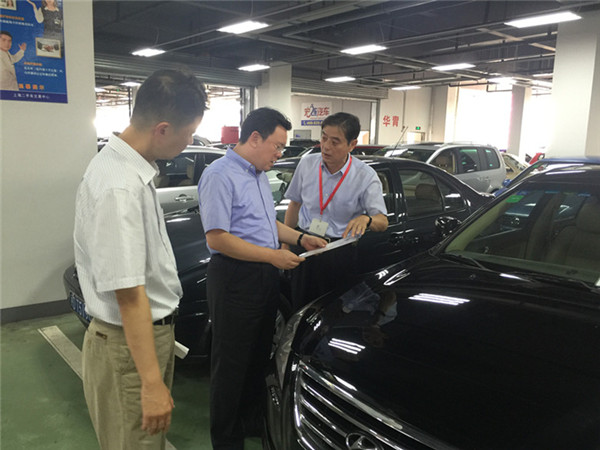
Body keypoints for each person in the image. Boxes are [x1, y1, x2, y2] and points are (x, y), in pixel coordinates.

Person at [74, 69, 207, 450]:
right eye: (188, 133)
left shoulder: (127, 169)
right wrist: (150, 383)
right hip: (128, 349)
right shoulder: (120, 186)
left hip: (137, 342)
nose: (190, 140)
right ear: (162, 129)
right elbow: (129, 295)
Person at [198, 107, 326, 450]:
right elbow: (218, 238)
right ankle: (227, 439)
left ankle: (251, 420)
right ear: (255, 138)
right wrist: (272, 256)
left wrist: (301, 238)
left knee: (257, 357)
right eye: (277, 146)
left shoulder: (256, 175)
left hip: (263, 277)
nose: (279, 153)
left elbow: (269, 224)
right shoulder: (219, 175)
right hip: (235, 278)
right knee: (231, 366)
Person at [284, 112, 388, 309]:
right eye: (323, 138)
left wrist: (366, 219)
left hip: (338, 252)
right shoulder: (307, 164)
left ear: (352, 144)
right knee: (300, 306)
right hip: (304, 244)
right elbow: (294, 204)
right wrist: (285, 244)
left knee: (334, 310)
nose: (326, 146)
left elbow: (382, 222)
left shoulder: (365, 176)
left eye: (335, 142)